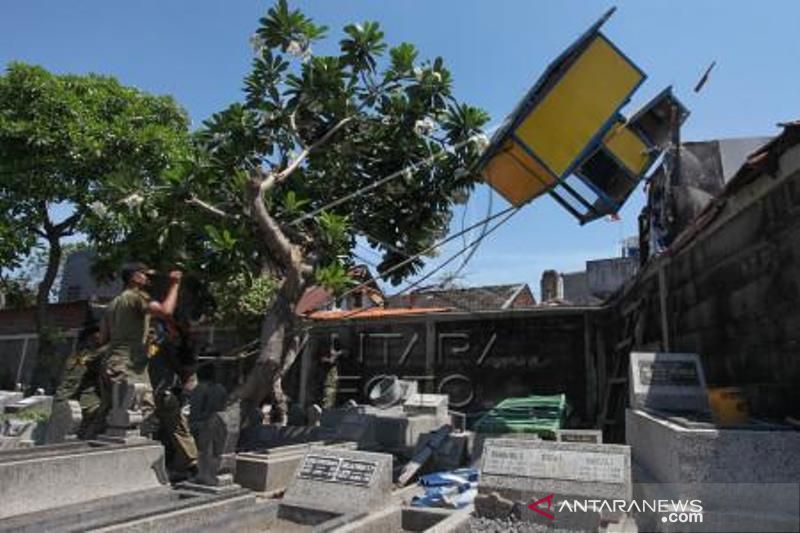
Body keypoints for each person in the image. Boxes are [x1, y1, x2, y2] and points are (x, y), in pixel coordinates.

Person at [98, 262, 198, 480]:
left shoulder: (113, 303)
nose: (147, 278)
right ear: (134, 277)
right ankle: (136, 472)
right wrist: (175, 284)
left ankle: (108, 469)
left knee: (115, 419)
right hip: (130, 366)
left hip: (112, 362)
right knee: (142, 415)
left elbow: (103, 338)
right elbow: (165, 311)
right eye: (144, 274)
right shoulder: (136, 296)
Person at [53, 323, 109, 439]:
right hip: (79, 401)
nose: (101, 339)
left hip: (77, 400)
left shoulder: (81, 356)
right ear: (90, 339)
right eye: (98, 336)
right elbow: (93, 357)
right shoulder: (83, 356)